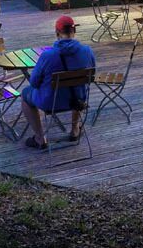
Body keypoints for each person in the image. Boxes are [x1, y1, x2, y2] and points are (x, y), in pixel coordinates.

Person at [22, 15, 97, 150]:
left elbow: (33, 83)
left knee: (25, 94)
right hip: (77, 100)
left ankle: (39, 138)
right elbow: (92, 74)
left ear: (57, 34)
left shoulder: (47, 56)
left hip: (50, 102)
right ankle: (75, 130)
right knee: (77, 88)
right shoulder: (87, 51)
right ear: (74, 32)